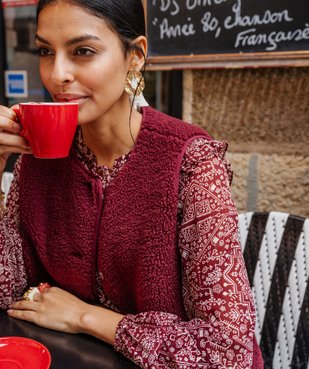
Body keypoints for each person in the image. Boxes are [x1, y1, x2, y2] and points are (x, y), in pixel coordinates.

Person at [0, 1, 264, 368]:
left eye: (83, 51)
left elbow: (227, 350)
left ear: (135, 56)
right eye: (46, 51)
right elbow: (7, 290)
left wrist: (85, 317)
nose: (56, 73)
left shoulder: (191, 162)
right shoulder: (38, 156)